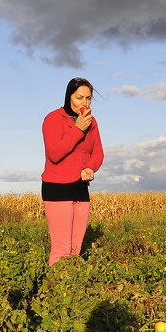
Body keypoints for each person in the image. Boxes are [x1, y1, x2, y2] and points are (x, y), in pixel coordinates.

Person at [41, 77, 104, 265]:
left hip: (80, 188)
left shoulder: (92, 122)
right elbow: (54, 154)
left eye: (88, 98)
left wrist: (90, 167)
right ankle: (54, 291)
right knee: (61, 250)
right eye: (79, 98)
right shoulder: (53, 119)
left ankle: (71, 291)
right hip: (57, 188)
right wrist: (78, 129)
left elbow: (98, 152)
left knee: (75, 249)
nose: (84, 103)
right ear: (69, 97)